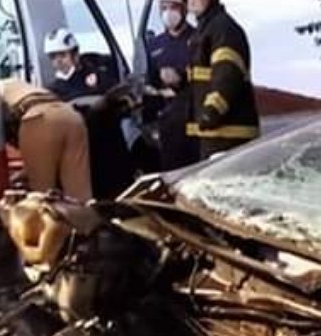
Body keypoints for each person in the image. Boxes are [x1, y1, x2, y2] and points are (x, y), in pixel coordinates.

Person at [43, 28, 135, 199]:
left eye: (62, 56)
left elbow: (118, 98)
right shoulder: (51, 91)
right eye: (53, 58)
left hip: (111, 151)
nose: (58, 62)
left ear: (75, 54)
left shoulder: (97, 75)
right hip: (84, 156)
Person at [186, 0, 260, 160]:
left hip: (228, 136)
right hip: (214, 135)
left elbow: (228, 72)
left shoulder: (223, 28)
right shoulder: (205, 30)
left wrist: (211, 112)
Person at [0, 79, 92, 201]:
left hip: (38, 116)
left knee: (42, 199)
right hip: (70, 114)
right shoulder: (13, 84)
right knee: (79, 197)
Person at [145, 0, 198, 170]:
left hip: (195, 120)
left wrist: (180, 78)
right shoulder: (154, 46)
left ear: (184, 8)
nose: (168, 13)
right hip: (168, 124)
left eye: (173, 7)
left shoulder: (198, 38)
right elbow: (149, 85)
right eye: (164, 8)